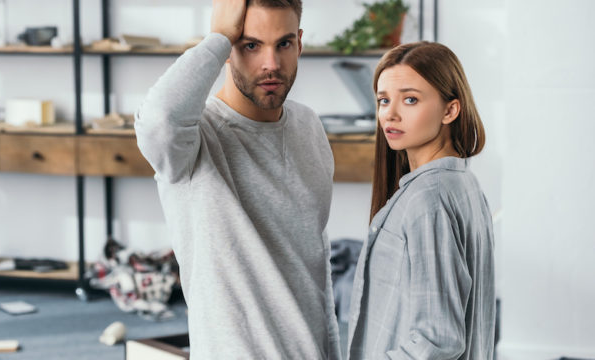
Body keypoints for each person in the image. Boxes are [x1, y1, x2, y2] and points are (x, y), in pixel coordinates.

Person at [134, 0, 340, 358]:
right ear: (227, 49)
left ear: (300, 43)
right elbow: (158, 120)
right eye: (250, 45)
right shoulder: (194, 138)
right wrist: (216, 37)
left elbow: (315, 269)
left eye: (284, 44)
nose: (271, 64)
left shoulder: (309, 127)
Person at [346, 41, 495, 359]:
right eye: (383, 100)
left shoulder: (429, 200)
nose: (390, 114)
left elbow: (437, 340)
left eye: (410, 99)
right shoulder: (463, 185)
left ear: (450, 110)